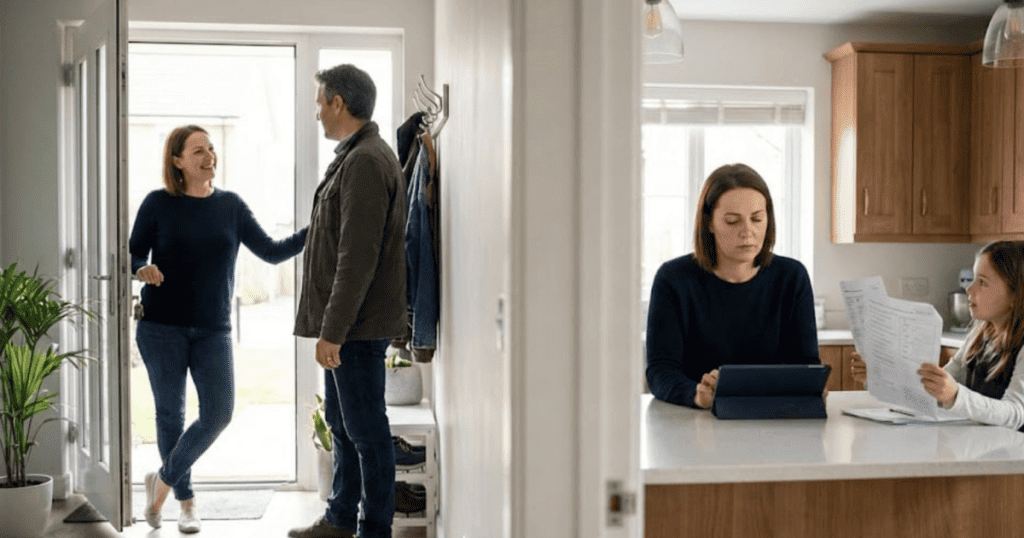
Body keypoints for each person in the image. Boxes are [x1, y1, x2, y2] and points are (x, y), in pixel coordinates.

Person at [131, 124, 308, 534]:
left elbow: (272, 251)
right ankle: (186, 503)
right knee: (170, 417)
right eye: (197, 151)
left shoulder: (230, 206)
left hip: (213, 330)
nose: (209, 155)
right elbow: (133, 252)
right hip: (161, 328)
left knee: (219, 412)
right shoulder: (158, 204)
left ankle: (161, 482)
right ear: (177, 161)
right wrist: (141, 267)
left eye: (210, 148)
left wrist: (317, 230)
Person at [288, 64, 407, 538]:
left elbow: (357, 257)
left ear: (339, 103)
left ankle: (373, 529)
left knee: (366, 433)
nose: (317, 111)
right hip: (350, 326)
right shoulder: (357, 156)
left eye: (321, 101)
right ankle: (341, 519)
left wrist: (332, 331)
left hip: (356, 328)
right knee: (343, 424)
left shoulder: (364, 162)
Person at [645, 163, 819, 409]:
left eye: (757, 219)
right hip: (696, 423)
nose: (747, 232)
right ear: (709, 223)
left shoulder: (792, 277)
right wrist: (697, 393)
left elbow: (807, 365)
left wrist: (811, 387)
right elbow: (660, 371)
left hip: (773, 423)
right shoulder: (673, 279)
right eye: (732, 221)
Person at [851, 241, 1024, 430]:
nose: (969, 289)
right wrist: (882, 375)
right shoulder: (979, 335)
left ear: (1016, 295)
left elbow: (1016, 413)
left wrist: (955, 395)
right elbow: (933, 389)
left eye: (982, 282)